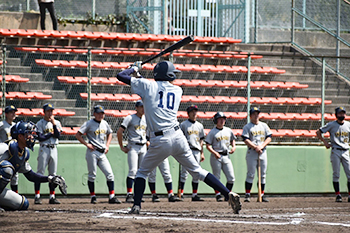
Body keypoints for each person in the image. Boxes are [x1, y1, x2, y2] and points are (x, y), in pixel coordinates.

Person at [117, 60, 241, 214]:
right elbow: (150, 89)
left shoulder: (148, 86)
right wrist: (138, 75)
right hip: (177, 136)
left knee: (142, 173)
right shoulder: (177, 90)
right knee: (197, 171)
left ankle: (136, 206)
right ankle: (227, 193)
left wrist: (134, 68)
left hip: (159, 140)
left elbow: (120, 76)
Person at [117, 100, 180, 203]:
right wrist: (121, 146)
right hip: (133, 146)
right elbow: (120, 131)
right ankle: (129, 195)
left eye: (144, 106)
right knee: (133, 171)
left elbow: (147, 133)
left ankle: (138, 195)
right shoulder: (130, 118)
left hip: (143, 147)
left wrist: (147, 141)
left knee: (142, 172)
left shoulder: (146, 119)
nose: (143, 108)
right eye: (140, 107)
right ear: (136, 108)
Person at [0, 121, 66, 211]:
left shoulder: (23, 153)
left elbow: (31, 176)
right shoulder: (4, 148)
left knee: (23, 204)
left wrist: (50, 178)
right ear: (20, 136)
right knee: (6, 169)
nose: (32, 137)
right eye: (28, 134)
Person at [75, 105, 121, 204]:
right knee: (92, 175)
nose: (100, 115)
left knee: (110, 175)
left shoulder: (105, 123)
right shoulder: (89, 123)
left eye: (102, 113)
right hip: (92, 152)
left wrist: (107, 145)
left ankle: (112, 197)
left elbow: (110, 133)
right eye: (98, 113)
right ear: (94, 114)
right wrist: (86, 144)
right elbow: (78, 134)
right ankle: (93, 196)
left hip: (102, 152)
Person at [316, 107, 350, 202]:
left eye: (343, 113)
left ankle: (349, 195)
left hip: (345, 150)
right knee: (336, 173)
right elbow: (318, 132)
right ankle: (338, 195)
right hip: (336, 150)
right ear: (336, 115)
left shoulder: (348, 125)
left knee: (349, 173)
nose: (341, 115)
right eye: (340, 114)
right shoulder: (332, 125)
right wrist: (325, 142)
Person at [242, 107, 272, 202]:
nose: (256, 115)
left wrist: (261, 146)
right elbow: (245, 139)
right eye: (254, 113)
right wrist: (255, 147)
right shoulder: (247, 126)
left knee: (262, 174)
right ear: (250, 116)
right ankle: (247, 195)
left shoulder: (264, 125)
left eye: (257, 113)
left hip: (262, 151)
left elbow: (269, 137)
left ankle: (261, 195)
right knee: (251, 174)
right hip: (252, 152)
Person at [34, 103, 62, 205]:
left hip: (54, 148)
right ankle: (37, 196)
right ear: (44, 112)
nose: (50, 113)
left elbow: (58, 135)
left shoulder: (57, 123)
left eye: (51, 111)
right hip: (44, 148)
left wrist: (54, 124)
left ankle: (52, 196)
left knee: (53, 174)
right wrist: (50, 134)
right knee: (40, 173)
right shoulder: (40, 123)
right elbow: (41, 137)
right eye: (48, 111)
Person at [205, 112, 237, 202]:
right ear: (215, 120)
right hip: (216, 156)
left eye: (223, 119)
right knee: (216, 177)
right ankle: (218, 195)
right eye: (220, 119)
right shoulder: (212, 132)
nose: (222, 120)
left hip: (226, 155)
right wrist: (214, 152)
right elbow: (208, 145)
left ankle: (228, 195)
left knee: (231, 178)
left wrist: (234, 147)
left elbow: (232, 140)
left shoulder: (228, 130)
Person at [179, 105, 206, 201]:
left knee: (197, 173)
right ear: (188, 113)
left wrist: (202, 153)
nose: (194, 113)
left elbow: (201, 141)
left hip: (197, 150)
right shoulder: (183, 124)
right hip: (187, 150)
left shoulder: (200, 125)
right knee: (184, 173)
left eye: (195, 111)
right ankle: (181, 193)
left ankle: (194, 194)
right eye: (192, 112)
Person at [0, 105, 19, 193]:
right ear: (6, 114)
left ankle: (16, 195)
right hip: (3, 152)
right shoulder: (2, 124)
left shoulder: (16, 125)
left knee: (15, 175)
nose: (13, 114)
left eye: (14, 112)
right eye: (11, 112)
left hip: (13, 152)